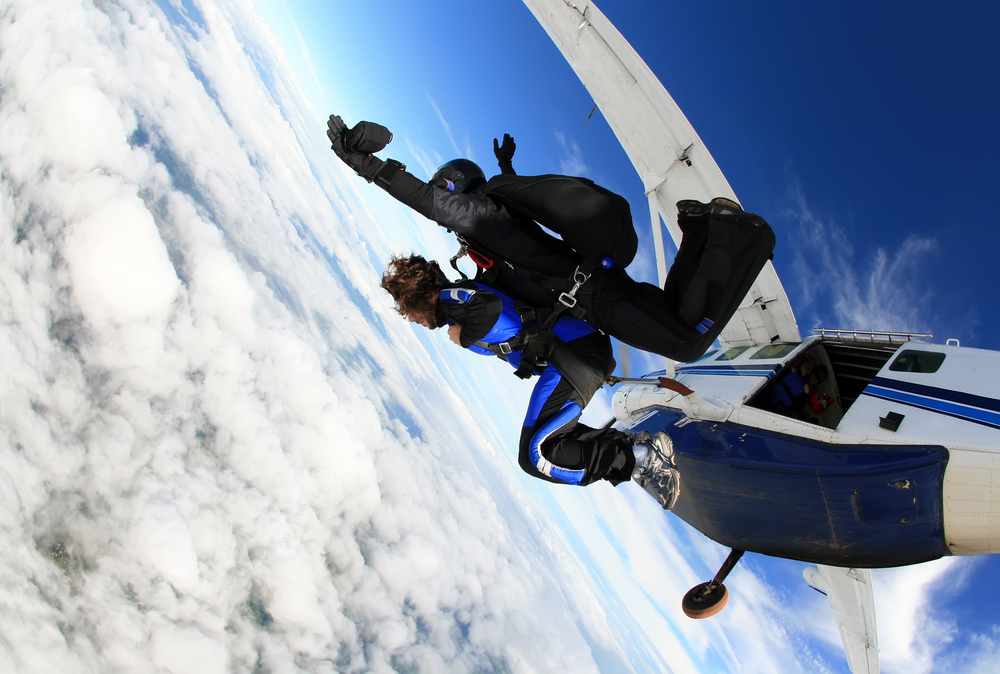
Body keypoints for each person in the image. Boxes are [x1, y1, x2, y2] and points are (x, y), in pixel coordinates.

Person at [327, 114, 775, 363]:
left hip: (596, 298)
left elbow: (433, 203)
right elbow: (526, 237)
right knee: (680, 316)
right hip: (595, 289)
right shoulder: (491, 222)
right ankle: (701, 231)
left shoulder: (480, 217)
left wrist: (370, 167)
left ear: (456, 189)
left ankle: (724, 233)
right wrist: (507, 171)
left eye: (447, 193)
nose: (448, 214)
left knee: (688, 344)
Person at [381, 253, 681, 508]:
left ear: (426, 295)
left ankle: (640, 457)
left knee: (537, 454)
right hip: (575, 355)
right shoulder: (454, 306)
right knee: (545, 446)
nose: (411, 318)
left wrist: (465, 337)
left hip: (576, 355)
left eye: (409, 308)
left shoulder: (449, 298)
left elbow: (487, 308)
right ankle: (633, 450)